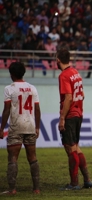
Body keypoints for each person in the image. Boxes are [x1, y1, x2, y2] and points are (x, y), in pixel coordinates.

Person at [0, 62, 41, 194]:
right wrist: (38, 127)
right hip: (30, 126)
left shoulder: (9, 89)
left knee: (12, 158)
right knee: (33, 158)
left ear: (11, 74)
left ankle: (12, 189)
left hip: (16, 127)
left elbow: (6, 110)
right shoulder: (32, 88)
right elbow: (37, 109)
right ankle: (36, 189)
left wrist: (1, 128)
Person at [56, 49, 92, 190]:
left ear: (58, 59)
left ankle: (74, 183)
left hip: (70, 115)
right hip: (79, 114)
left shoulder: (64, 75)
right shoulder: (76, 73)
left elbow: (69, 97)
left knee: (71, 149)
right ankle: (87, 180)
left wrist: (62, 118)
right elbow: (82, 95)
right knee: (76, 147)